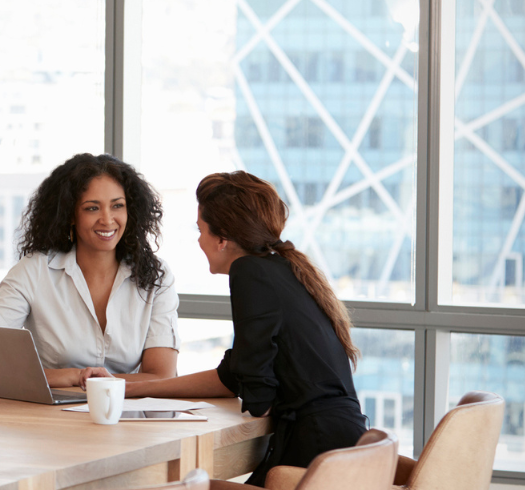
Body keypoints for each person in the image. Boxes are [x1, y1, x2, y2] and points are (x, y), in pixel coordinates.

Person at [85, 171, 365, 488]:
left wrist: (256, 388)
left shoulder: (249, 271)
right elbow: (233, 376)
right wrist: (128, 387)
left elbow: (257, 394)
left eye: (200, 230)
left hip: (315, 450)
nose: (199, 239)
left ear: (222, 240)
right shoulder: (281, 269)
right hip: (340, 443)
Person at [0, 153, 180, 388]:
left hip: (126, 419)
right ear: (70, 214)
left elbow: (161, 376)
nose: (107, 219)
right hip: (48, 421)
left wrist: (86, 381)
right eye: (92, 208)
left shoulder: (156, 277)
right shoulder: (34, 271)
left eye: (117, 206)